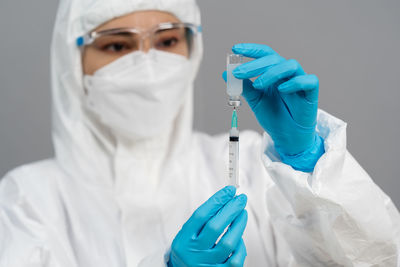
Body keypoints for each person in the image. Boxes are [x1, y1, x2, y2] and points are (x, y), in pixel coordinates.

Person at [0, 0, 399, 266]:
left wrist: (309, 167)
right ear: (73, 64)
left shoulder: (264, 169)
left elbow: (380, 258)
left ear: (192, 50)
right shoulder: (27, 200)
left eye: (168, 40)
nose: (148, 65)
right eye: (118, 46)